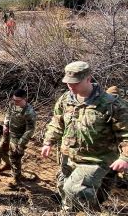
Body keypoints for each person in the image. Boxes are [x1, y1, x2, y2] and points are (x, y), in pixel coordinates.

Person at [41, 61, 128, 212]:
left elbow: (125, 134)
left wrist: (124, 158)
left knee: (74, 189)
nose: (71, 86)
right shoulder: (65, 100)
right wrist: (48, 142)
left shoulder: (111, 104)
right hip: (69, 157)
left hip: (96, 160)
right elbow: (57, 122)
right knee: (64, 189)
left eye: (75, 82)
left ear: (88, 79)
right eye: (68, 82)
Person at [0, 89, 36, 187]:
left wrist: (21, 142)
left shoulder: (29, 112)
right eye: (14, 100)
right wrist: (5, 124)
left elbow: (30, 129)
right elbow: (8, 114)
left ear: (25, 99)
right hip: (9, 132)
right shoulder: (12, 104)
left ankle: (16, 179)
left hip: (19, 137)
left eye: (18, 101)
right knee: (1, 149)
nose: (15, 102)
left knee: (15, 157)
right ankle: (7, 164)